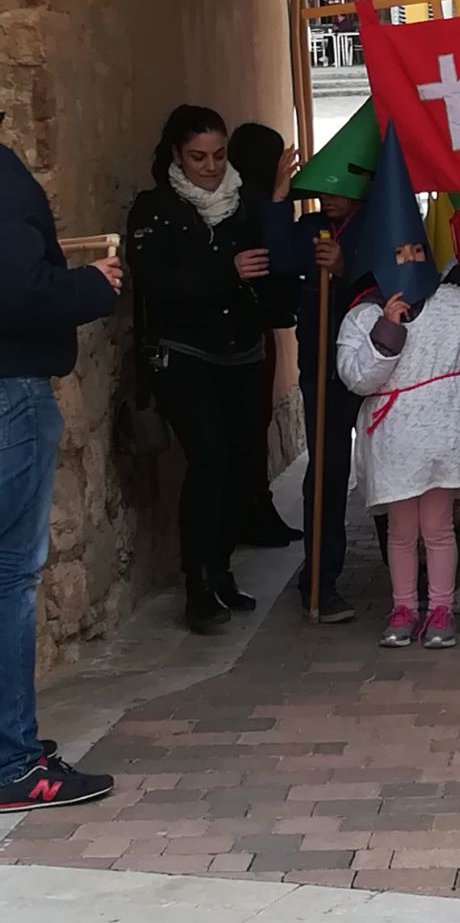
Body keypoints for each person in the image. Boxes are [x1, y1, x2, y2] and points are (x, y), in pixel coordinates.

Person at [337, 126, 460, 651]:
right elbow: (357, 376)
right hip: (394, 439)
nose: (410, 260)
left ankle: (439, 608)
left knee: (438, 525)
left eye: (417, 249)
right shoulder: (363, 316)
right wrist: (387, 332)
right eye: (399, 251)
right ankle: (403, 605)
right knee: (401, 530)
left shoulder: (453, 304)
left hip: (442, 432)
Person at [0, 123, 121, 810]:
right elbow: (18, 289)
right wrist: (90, 287)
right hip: (10, 390)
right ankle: (13, 762)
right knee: (9, 577)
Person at [127, 105, 273, 633]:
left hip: (242, 350)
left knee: (239, 465)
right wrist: (225, 271)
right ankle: (198, 585)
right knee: (209, 460)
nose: (210, 167)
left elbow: (269, 264)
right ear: (176, 155)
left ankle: (221, 569)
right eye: (197, 157)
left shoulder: (248, 200)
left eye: (217, 155)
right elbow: (156, 283)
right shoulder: (154, 208)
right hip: (184, 353)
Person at [263, 100, 379, 624]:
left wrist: (347, 267)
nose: (330, 197)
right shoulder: (312, 230)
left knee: (387, 464)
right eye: (324, 187)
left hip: (380, 366)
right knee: (327, 470)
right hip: (323, 367)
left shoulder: (384, 225)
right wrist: (279, 199)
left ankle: (405, 572)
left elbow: (404, 286)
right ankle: (320, 577)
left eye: (341, 186)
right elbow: (279, 257)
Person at [227, 122, 302, 549]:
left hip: (246, 327)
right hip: (249, 329)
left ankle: (254, 509)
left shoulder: (239, 200)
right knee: (252, 422)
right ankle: (254, 511)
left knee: (249, 423)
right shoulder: (254, 204)